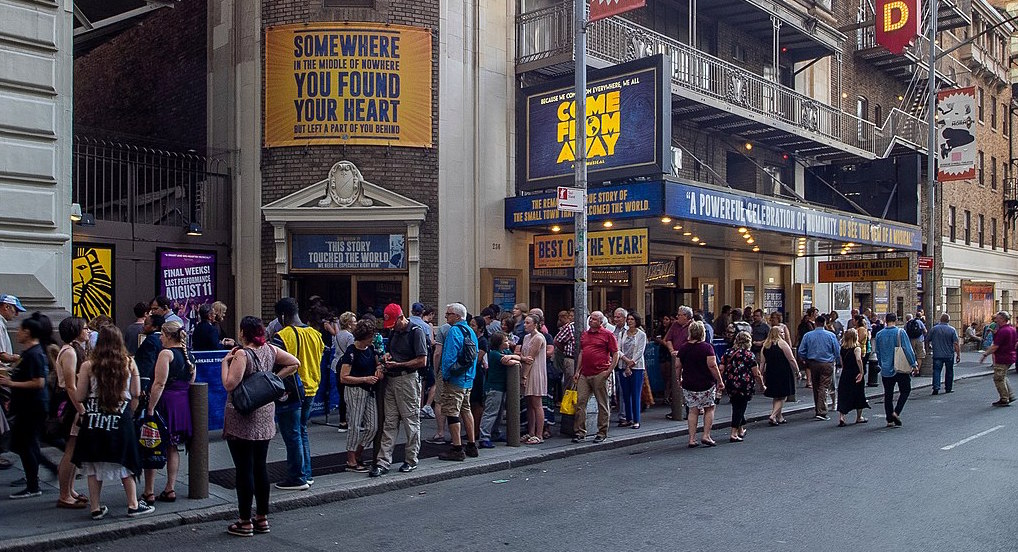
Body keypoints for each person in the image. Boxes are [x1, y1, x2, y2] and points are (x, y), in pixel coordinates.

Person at [221, 316, 299, 537]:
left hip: (242, 416)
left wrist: (224, 364)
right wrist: (273, 378)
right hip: (265, 415)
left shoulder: (242, 354)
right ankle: (262, 518)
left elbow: (229, 384)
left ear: (243, 332)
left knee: (244, 469)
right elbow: (294, 362)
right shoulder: (271, 350)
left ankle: (245, 521)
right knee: (260, 467)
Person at [71, 324, 153, 518]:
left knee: (94, 463)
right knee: (124, 461)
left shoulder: (88, 365)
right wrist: (129, 413)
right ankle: (133, 504)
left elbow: (80, 395)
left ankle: (95, 508)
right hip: (121, 417)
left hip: (94, 420)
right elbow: (135, 394)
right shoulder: (129, 363)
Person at [270, 298, 324, 490]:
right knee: (301, 431)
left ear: (283, 316)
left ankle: (297, 477)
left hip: (291, 390)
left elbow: (275, 363)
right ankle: (306, 474)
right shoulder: (316, 334)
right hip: (312, 387)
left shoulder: (282, 336)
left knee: (292, 434)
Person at [0, 312, 55, 499]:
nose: (18, 333)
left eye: (21, 329)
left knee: (27, 445)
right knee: (24, 445)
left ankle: (33, 485)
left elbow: (39, 382)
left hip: (33, 407)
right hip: (25, 406)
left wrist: (11, 384)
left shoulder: (35, 354)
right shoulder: (28, 354)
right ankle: (34, 480)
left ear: (29, 332)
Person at [141, 321, 195, 504]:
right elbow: (191, 381)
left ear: (169, 335)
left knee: (153, 445)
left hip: (165, 403)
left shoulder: (166, 354)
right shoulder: (189, 357)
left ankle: (149, 491)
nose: (161, 338)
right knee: (173, 447)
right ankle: (170, 488)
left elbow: (159, 383)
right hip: (181, 405)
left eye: (162, 335)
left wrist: (150, 408)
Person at [373, 303, 428, 476]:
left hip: (407, 379)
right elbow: (390, 351)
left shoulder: (416, 331)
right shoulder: (394, 331)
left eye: (393, 324)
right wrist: (388, 357)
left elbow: (422, 361)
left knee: (410, 421)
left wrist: (399, 364)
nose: (392, 329)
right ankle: (383, 461)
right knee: (390, 422)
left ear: (401, 317)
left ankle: (411, 459)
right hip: (393, 378)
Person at [436, 303, 479, 460]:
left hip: (455, 379)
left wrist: (445, 375)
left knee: (452, 412)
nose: (446, 316)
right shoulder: (470, 331)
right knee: (466, 410)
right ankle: (472, 445)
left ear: (457, 316)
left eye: (448, 314)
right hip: (468, 379)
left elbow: (449, 358)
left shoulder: (454, 331)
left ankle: (457, 448)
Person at [339, 319, 383, 472]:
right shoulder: (351, 352)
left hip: (369, 391)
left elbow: (378, 364)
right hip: (355, 391)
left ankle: (358, 452)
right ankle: (351, 459)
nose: (373, 338)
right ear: (364, 336)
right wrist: (365, 379)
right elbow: (344, 377)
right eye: (371, 336)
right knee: (355, 426)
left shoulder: (370, 349)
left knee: (373, 426)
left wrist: (379, 369)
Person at [54, 317, 89, 508]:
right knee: (71, 450)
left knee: (75, 450)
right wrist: (81, 410)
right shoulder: (69, 353)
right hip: (70, 405)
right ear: (76, 331)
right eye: (84, 328)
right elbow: (70, 385)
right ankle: (64, 494)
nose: (88, 331)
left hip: (72, 403)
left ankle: (70, 490)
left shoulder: (73, 351)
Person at [675, 321, 724, 447]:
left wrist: (678, 378)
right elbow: (712, 365)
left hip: (689, 383)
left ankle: (692, 439)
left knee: (693, 410)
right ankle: (706, 435)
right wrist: (719, 380)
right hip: (706, 383)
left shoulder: (683, 348)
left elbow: (677, 366)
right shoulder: (707, 348)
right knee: (709, 408)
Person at [572, 311, 617, 444]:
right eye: (591, 318)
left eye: (595, 319)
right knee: (580, 402)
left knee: (602, 403)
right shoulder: (585, 334)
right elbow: (582, 352)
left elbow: (615, 353)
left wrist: (608, 371)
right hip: (585, 373)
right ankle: (580, 432)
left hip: (600, 372)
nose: (591, 321)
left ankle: (602, 432)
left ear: (601, 322)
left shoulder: (608, 335)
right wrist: (577, 371)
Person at [873, 313, 918, 427]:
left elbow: (877, 351)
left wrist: (881, 363)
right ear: (896, 321)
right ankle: (896, 412)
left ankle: (889, 419)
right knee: (905, 390)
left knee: (888, 394)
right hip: (900, 367)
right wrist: (913, 364)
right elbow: (907, 349)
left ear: (885, 320)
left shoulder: (879, 334)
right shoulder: (900, 332)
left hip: (886, 368)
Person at [721, 331, 763, 442]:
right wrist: (762, 385)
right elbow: (756, 373)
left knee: (736, 405)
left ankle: (741, 429)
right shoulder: (749, 355)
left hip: (730, 383)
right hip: (745, 384)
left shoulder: (728, 352)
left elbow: (721, 368)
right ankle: (734, 433)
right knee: (740, 407)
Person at [797, 314, 839, 421]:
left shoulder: (808, 335)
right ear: (824, 323)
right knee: (823, 387)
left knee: (816, 386)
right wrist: (836, 361)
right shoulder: (831, 335)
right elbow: (837, 350)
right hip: (827, 363)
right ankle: (822, 411)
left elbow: (801, 351)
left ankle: (818, 408)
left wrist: (805, 359)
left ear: (815, 323)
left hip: (813, 363)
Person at [479, 332, 518, 448]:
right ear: (499, 343)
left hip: (501, 387)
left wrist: (513, 356)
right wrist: (516, 359)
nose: (508, 342)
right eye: (505, 341)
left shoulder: (505, 352)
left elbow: (515, 356)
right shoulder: (495, 354)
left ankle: (494, 432)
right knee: (491, 412)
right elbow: (511, 362)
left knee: (499, 413)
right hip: (494, 388)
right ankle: (484, 437)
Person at [516, 313, 547, 444]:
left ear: (536, 324)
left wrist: (524, 376)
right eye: (525, 322)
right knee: (529, 403)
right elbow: (523, 356)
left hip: (535, 371)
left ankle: (539, 435)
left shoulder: (539, 338)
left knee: (536, 403)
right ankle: (531, 432)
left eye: (528, 323)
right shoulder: (526, 337)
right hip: (527, 370)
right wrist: (522, 359)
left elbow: (531, 358)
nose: (525, 325)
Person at [760, 326, 799, 425]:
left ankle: (779, 416)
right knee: (783, 396)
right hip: (783, 371)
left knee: (776, 396)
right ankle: (773, 415)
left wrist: (760, 375)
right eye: (781, 332)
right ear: (776, 333)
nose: (783, 334)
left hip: (771, 372)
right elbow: (791, 359)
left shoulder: (765, 345)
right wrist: (797, 371)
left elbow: (762, 362)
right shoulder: (782, 343)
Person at [980, 310, 1017, 407]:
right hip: (1010, 356)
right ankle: (1010, 395)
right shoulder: (1012, 329)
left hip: (1002, 357)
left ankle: (1004, 398)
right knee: (1003, 376)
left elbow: (995, 346)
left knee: (998, 378)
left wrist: (985, 354)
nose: (996, 321)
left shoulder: (1003, 331)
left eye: (998, 319)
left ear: (1003, 319)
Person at [329, 312, 357, 432]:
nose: (356, 323)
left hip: (336, 365)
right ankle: (350, 421)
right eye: (354, 321)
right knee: (349, 395)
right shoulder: (350, 337)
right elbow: (352, 352)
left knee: (342, 395)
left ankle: (342, 421)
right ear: (349, 324)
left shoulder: (337, 335)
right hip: (346, 366)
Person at [618, 312, 647, 429]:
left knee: (635, 393)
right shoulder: (622, 333)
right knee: (625, 393)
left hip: (636, 367)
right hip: (623, 365)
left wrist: (631, 364)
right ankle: (628, 418)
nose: (630, 321)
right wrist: (625, 360)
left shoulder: (641, 335)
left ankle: (636, 419)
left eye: (632, 319)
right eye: (629, 319)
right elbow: (618, 349)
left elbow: (640, 351)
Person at [836, 328, 870, 426]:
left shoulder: (843, 348)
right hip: (855, 373)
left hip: (846, 372)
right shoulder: (857, 348)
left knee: (844, 394)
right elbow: (858, 360)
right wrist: (861, 371)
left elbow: (841, 361)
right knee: (859, 394)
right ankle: (859, 417)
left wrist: (844, 368)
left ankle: (842, 417)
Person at [467, 316, 489, 442]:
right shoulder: (471, 338)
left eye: (473, 325)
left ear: (480, 328)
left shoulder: (483, 341)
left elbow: (477, 358)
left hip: (478, 374)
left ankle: (476, 432)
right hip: (471, 373)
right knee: (470, 403)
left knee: (477, 403)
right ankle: (471, 431)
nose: (471, 327)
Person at [929, 313, 961, 395]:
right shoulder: (952, 330)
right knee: (949, 371)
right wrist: (958, 355)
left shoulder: (934, 329)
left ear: (940, 320)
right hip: (948, 354)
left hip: (937, 354)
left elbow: (927, 339)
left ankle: (936, 388)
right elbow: (956, 343)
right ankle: (948, 388)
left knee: (936, 371)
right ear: (948, 321)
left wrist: (928, 348)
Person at [134, 314, 164, 396]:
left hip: (149, 379)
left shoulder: (151, 340)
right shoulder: (162, 339)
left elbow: (148, 362)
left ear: (155, 327)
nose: (143, 326)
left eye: (146, 324)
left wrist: (144, 382)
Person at [611, 308, 629, 425]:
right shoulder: (614, 330)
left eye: (618, 317)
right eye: (615, 317)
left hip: (627, 364)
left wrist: (626, 360)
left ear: (624, 318)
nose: (616, 319)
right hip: (615, 364)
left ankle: (624, 416)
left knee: (624, 390)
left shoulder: (629, 330)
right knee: (617, 389)